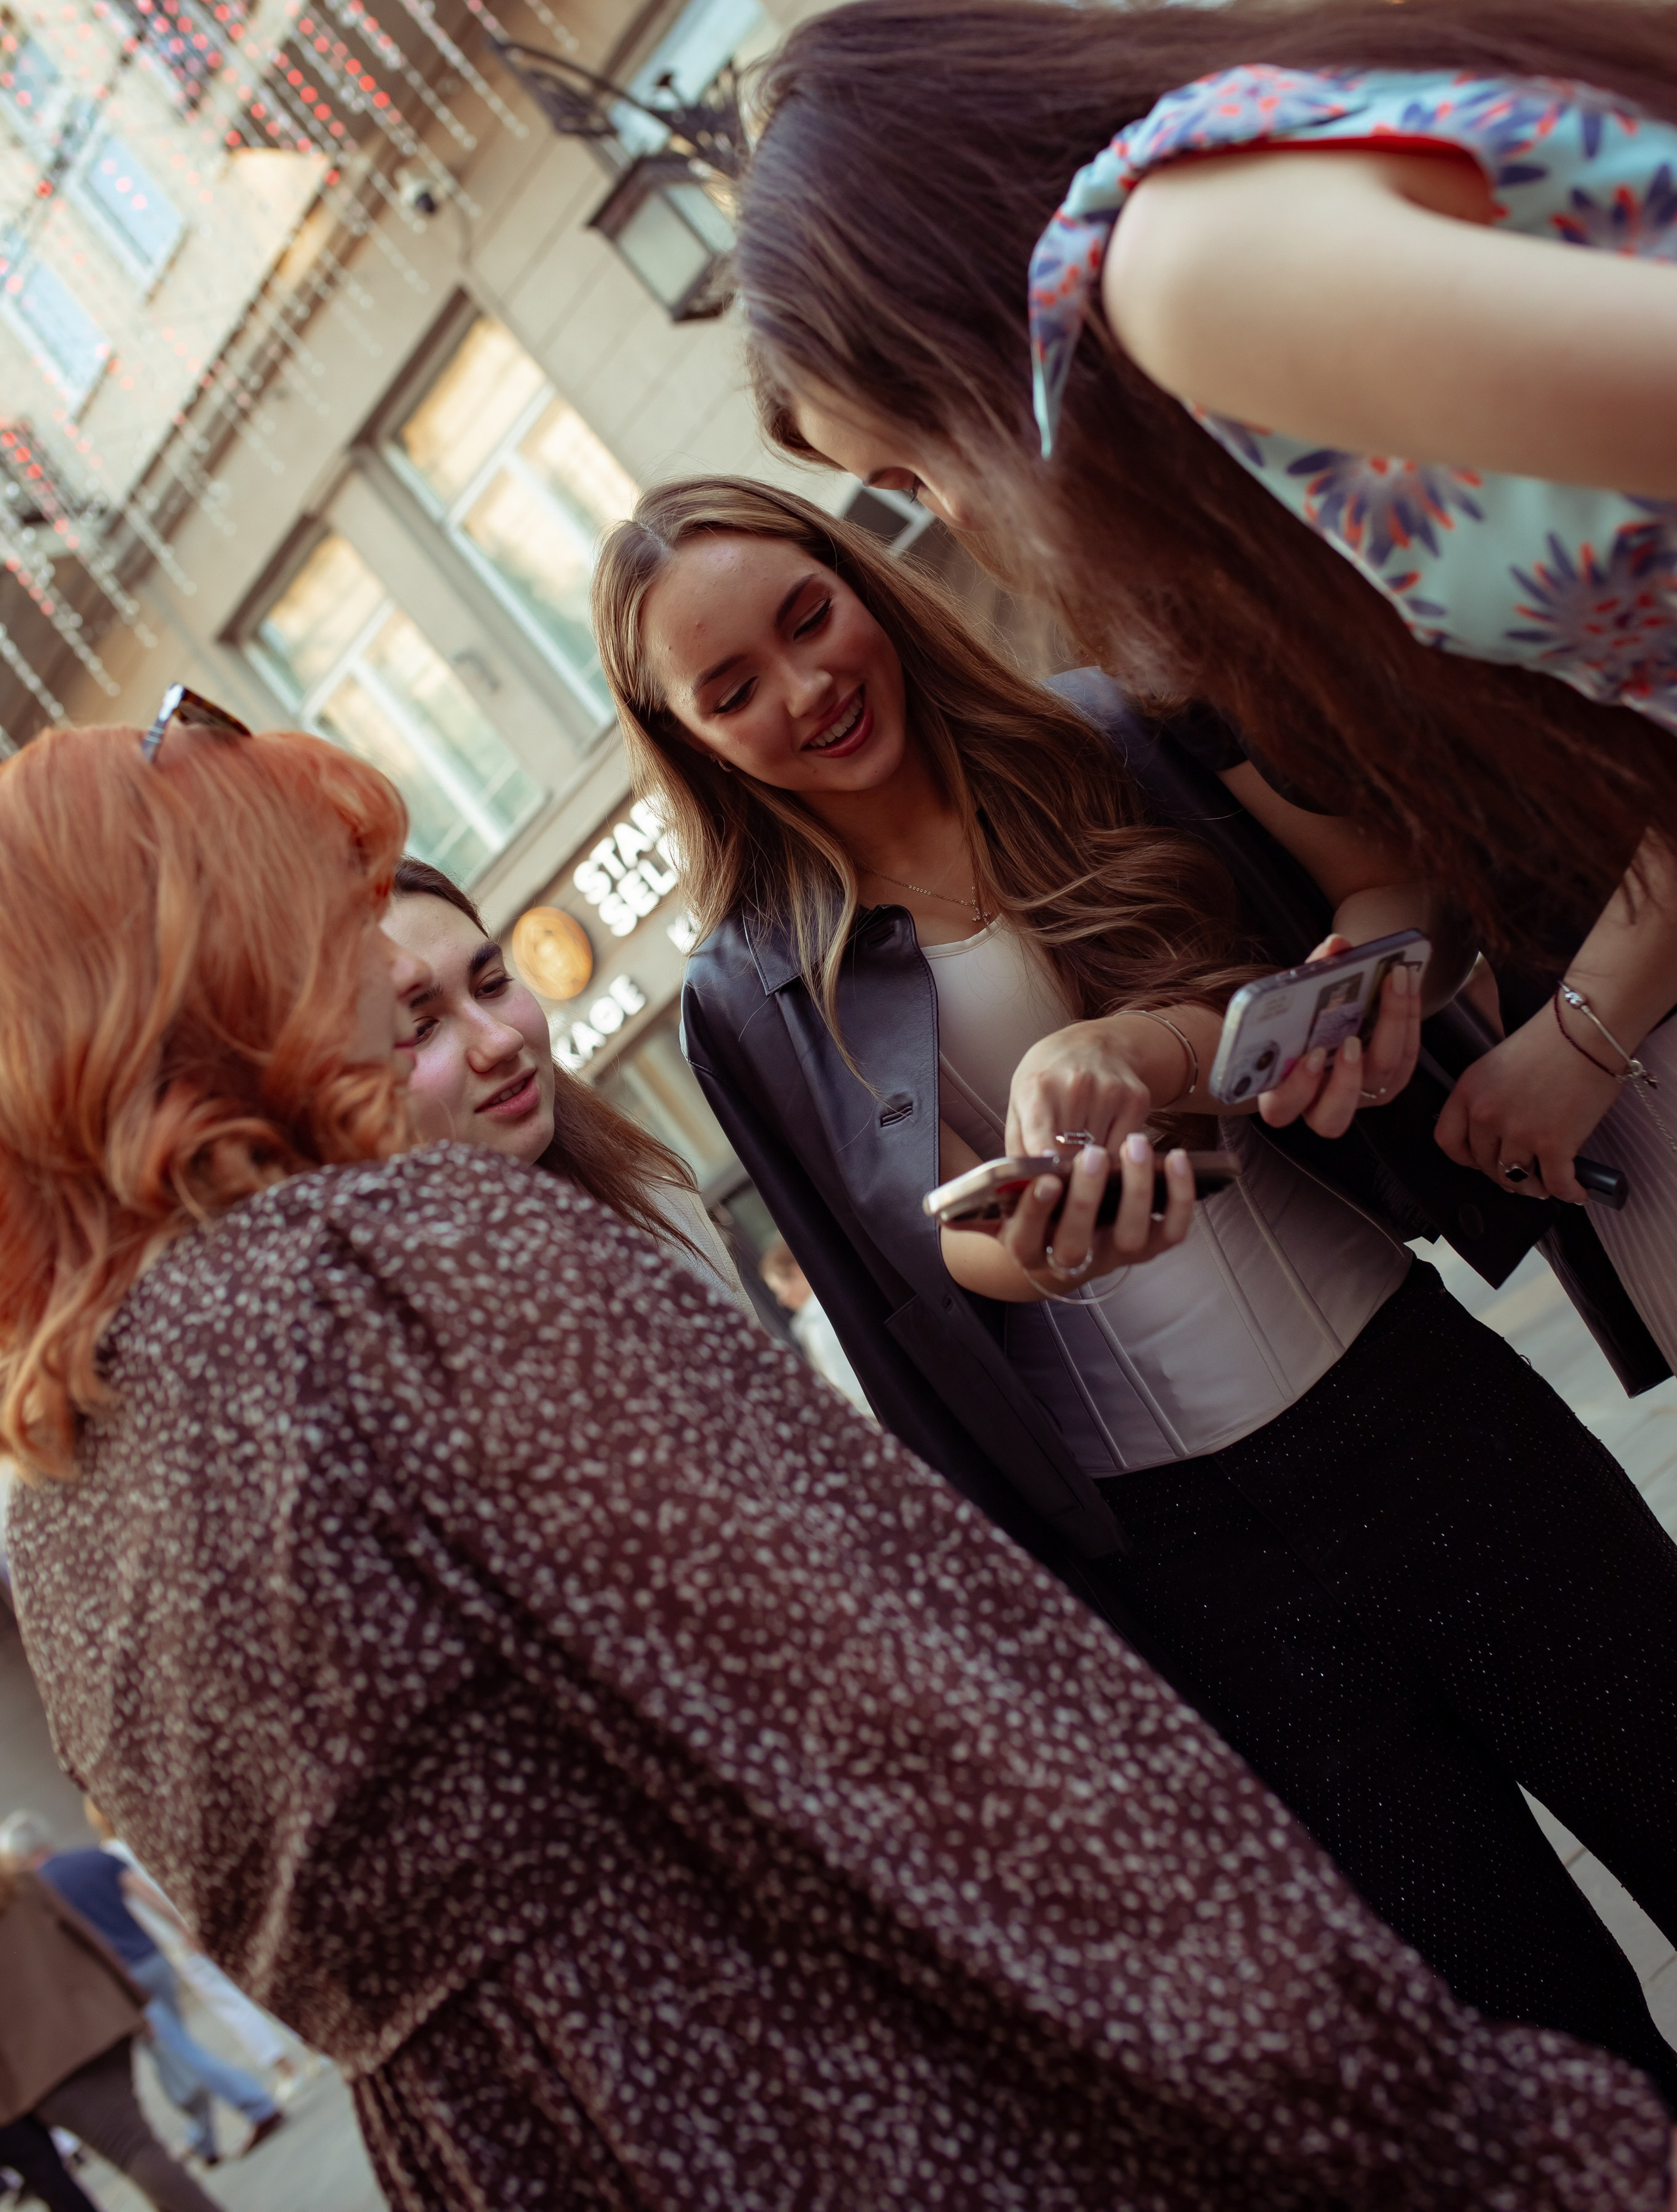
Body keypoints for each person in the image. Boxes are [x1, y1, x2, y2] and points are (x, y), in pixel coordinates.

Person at [2, 723, 1673, 2209]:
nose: (370, 972)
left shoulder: (62, 1483)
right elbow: (942, 1735)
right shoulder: (398, 1260)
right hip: (853, 2092)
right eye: (317, 909)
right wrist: (1449, 2116)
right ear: (204, 972)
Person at [594, 471, 1677, 2101]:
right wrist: (1027, 1243)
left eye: (805, 617)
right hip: (1195, 1569)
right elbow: (903, 1289)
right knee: (1524, 2048)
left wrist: (1240, 1025)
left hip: (1420, 1402)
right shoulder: (739, 992)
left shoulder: (1099, 732)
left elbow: (1385, 898)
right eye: (729, 688)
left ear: (861, 583)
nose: (802, 690)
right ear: (683, 737)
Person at [729, 0, 1677, 1341]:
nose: (941, 506)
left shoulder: (1183, 277)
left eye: (903, 459)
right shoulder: (1207, 218)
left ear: (937, 324)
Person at [383, 855, 744, 1301]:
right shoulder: (382, 1335)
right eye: (420, 1029)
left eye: (492, 984)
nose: (500, 1040)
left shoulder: (646, 1191)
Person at [0, 1816, 283, 2166]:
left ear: (21, 1853)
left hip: (119, 1979)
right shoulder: (93, 1858)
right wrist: (182, 1925)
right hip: (155, 1962)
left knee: (180, 2051)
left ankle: (258, 2106)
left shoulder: (35, 1889)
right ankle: (204, 2140)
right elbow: (143, 1892)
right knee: (174, 2052)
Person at [0, 1850, 219, 2212]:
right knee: (136, 2143)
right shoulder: (20, 1883)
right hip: (97, 2025)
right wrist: (134, 2001)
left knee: (133, 2148)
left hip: (40, 2067)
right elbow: (88, 1939)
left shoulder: (23, 1883)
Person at [759, 1238, 871, 1415]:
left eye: (780, 1289)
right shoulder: (831, 1307)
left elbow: (852, 1393)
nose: (781, 1300)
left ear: (796, 1272)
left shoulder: (819, 1325)